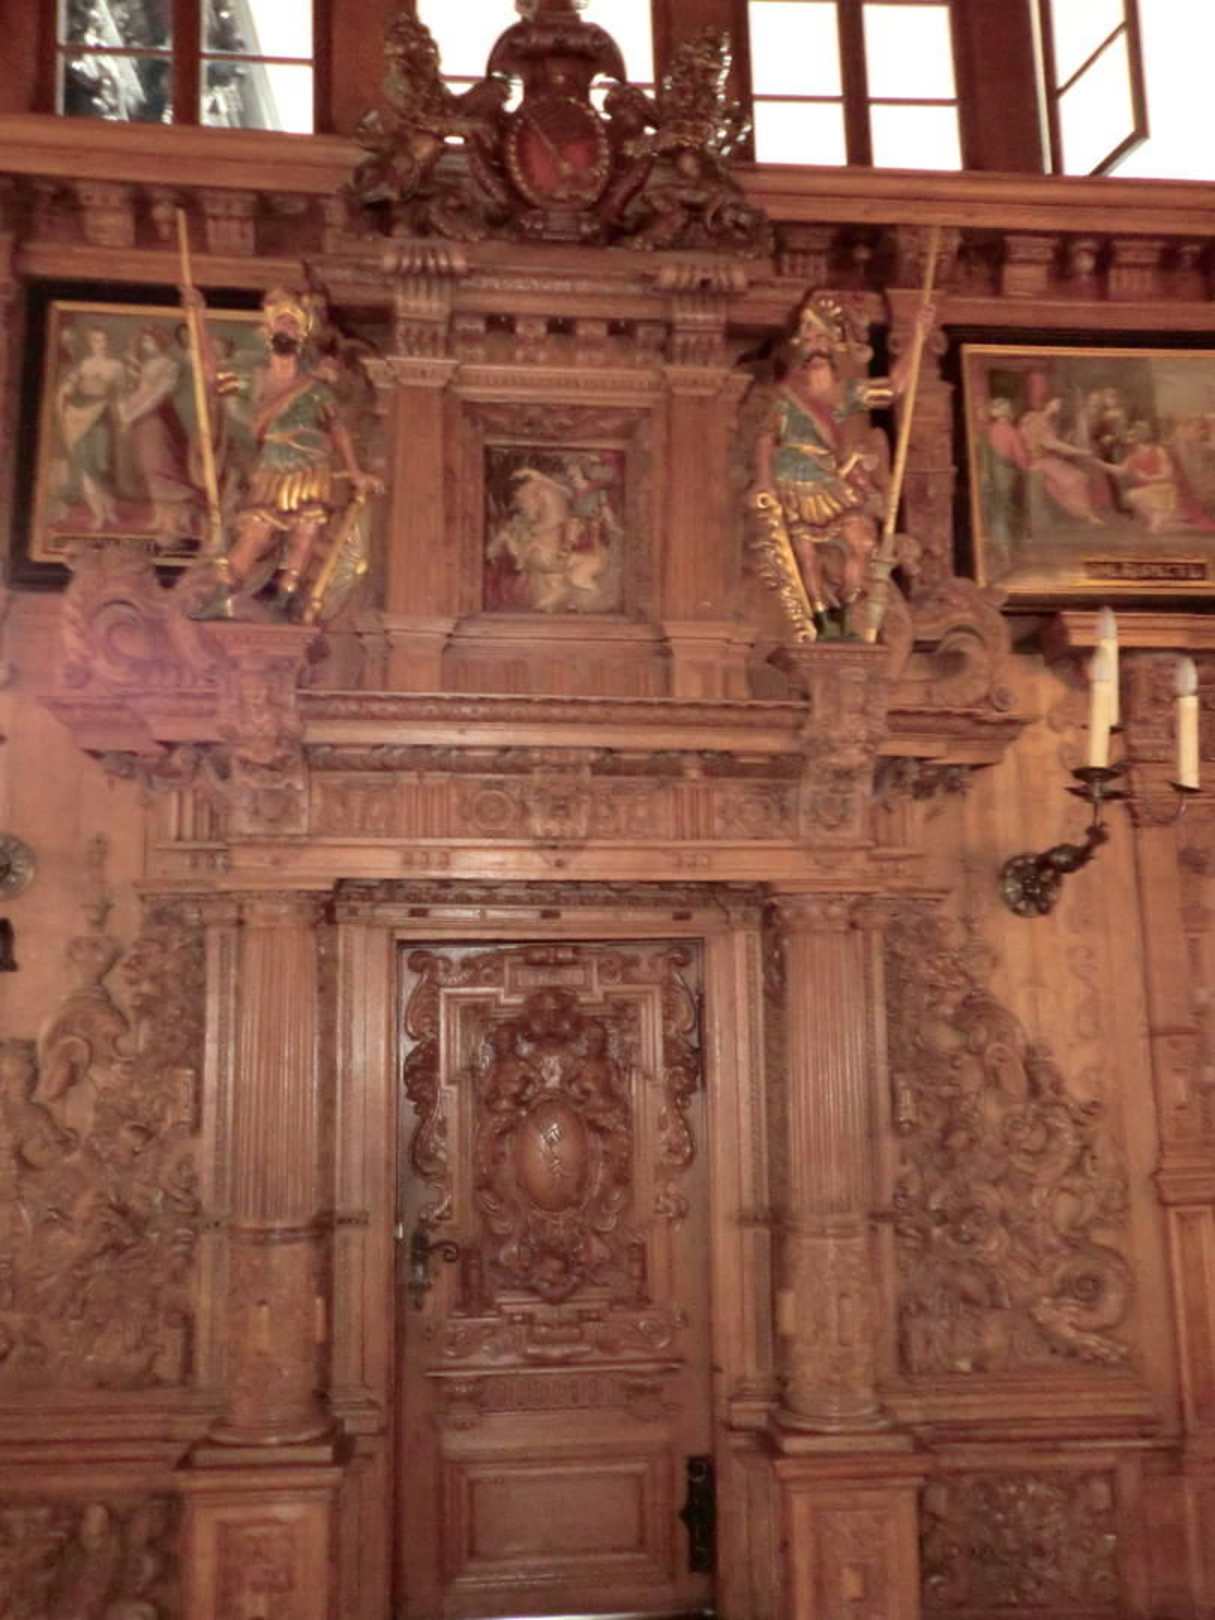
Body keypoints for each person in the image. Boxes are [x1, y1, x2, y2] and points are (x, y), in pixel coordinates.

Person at [182, 285, 381, 619]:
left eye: (293, 324)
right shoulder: (256, 377)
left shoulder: (316, 386)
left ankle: (287, 596)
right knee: (256, 531)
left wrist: (355, 471)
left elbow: (337, 428)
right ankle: (221, 592)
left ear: (301, 336)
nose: (287, 328)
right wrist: (198, 319)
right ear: (269, 330)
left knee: (306, 530)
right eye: (282, 322)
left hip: (312, 464)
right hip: (274, 463)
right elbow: (211, 376)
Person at [751, 291, 934, 626]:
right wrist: (764, 482)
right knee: (805, 556)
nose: (815, 346)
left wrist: (918, 338)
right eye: (808, 339)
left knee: (863, 541)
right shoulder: (786, 395)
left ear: (832, 344)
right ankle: (821, 621)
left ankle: (846, 611)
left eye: (821, 338)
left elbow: (894, 387)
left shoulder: (847, 392)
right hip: (794, 476)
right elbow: (766, 438)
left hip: (829, 476)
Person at [116, 325, 199, 548]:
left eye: (150, 341)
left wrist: (131, 414)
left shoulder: (169, 365)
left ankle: (177, 521)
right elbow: (139, 392)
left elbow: (157, 396)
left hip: (157, 420)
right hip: (142, 423)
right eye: (144, 342)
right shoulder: (146, 365)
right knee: (149, 470)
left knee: (161, 467)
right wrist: (127, 410)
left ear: (160, 342)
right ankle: (161, 517)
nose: (147, 346)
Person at [55, 324, 126, 530]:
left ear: (109, 342)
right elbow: (69, 387)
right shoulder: (84, 364)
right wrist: (64, 394)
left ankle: (110, 510)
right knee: (86, 467)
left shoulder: (116, 366)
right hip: (79, 417)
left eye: (104, 340)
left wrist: (124, 419)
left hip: (102, 417)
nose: (101, 344)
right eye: (96, 340)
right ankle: (98, 514)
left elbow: (120, 396)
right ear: (90, 343)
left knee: (102, 465)